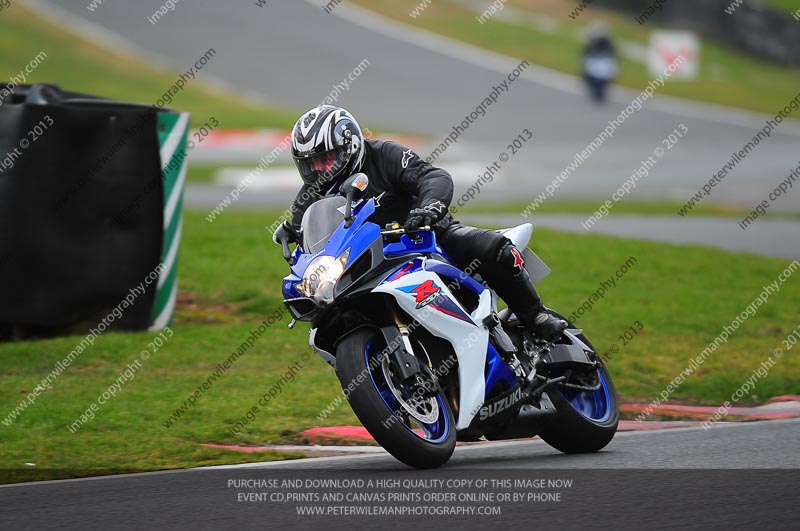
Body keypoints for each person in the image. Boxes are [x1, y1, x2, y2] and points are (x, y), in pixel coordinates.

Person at [274, 105, 567, 340]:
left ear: (349, 145)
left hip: (428, 239)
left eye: (326, 158)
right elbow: (309, 240)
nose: (319, 169)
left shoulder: (384, 155)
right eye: (311, 163)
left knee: (494, 248)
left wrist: (428, 208)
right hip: (370, 266)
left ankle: (535, 315)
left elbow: (433, 177)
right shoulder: (310, 196)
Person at [581, 22, 619, 103]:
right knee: (584, 70)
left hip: (604, 66)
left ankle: (603, 88)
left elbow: (614, 58)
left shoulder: (610, 44)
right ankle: (591, 85)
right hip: (594, 65)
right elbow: (584, 55)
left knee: (612, 72)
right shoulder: (590, 43)